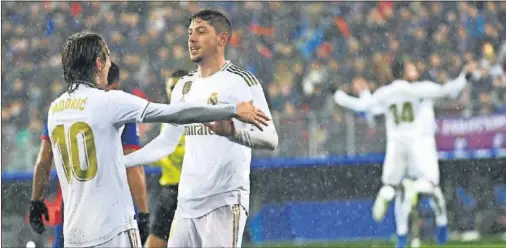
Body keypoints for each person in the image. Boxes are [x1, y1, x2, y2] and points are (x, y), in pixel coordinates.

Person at [30, 31, 269, 248]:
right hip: (113, 230)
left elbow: (43, 162)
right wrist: (231, 110)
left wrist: (36, 201)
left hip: (74, 233)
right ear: (99, 63)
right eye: (108, 56)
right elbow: (177, 113)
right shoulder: (109, 101)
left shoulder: (56, 109)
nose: (110, 63)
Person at [125, 9, 278, 247]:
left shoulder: (241, 81)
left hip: (224, 201)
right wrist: (122, 162)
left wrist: (233, 132)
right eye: (190, 33)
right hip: (186, 204)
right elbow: (166, 143)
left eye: (201, 31)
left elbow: (270, 139)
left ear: (222, 39)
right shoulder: (183, 87)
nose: (192, 39)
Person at [333, 59, 474, 248]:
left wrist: (339, 95)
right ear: (405, 73)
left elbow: (366, 107)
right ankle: (436, 219)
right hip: (420, 144)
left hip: (395, 146)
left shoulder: (386, 92)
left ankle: (398, 227)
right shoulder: (419, 90)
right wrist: (465, 76)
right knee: (432, 186)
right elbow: (447, 90)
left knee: (394, 188)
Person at [30, 62, 150, 247]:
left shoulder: (60, 109)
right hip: (112, 212)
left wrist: (36, 201)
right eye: (115, 88)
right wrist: (143, 213)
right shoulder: (117, 109)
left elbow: (44, 161)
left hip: (73, 212)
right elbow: (133, 167)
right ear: (109, 84)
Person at [144, 70, 188, 248]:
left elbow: (184, 155)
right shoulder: (168, 118)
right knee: (156, 240)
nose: (174, 91)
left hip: (188, 190)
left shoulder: (197, 117)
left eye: (178, 87)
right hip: (169, 190)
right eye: (171, 87)